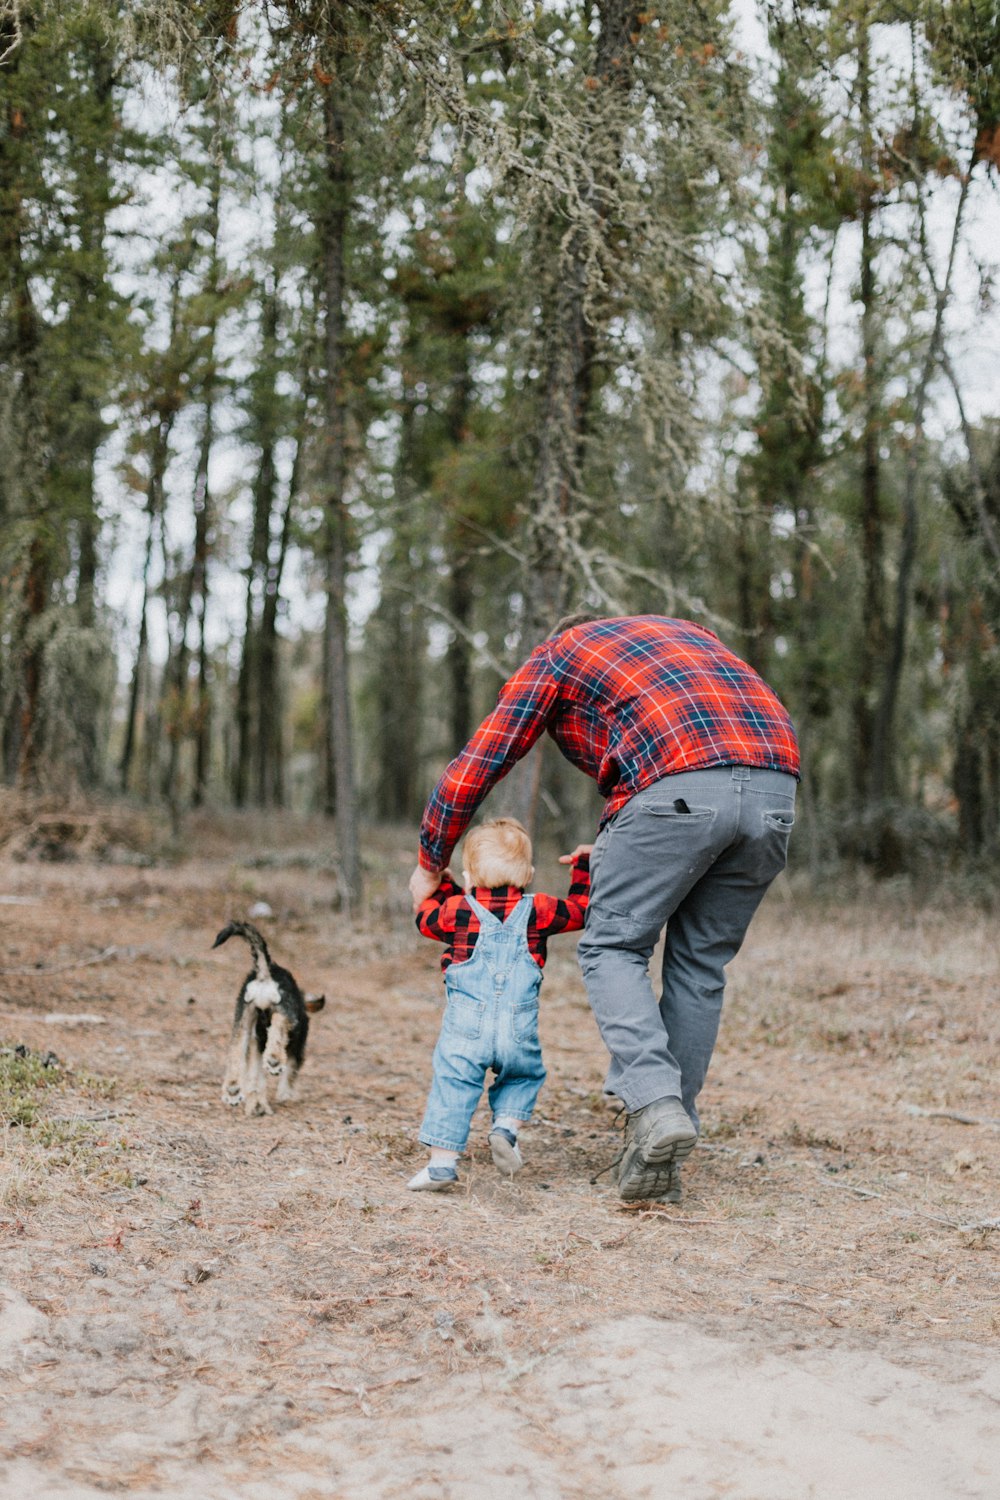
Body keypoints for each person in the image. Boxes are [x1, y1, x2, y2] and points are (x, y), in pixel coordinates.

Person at [409, 615, 799, 1203]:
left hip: (678, 784)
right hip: (776, 784)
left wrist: (429, 859)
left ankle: (657, 1105)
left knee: (612, 946)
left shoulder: (558, 655)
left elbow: (479, 763)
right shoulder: (685, 635)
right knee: (700, 965)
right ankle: (662, 1139)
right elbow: (669, 764)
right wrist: (623, 842)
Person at [407, 816, 590, 1192]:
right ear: (528, 875)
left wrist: (439, 885)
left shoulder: (456, 910)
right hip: (517, 1026)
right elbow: (581, 909)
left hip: (465, 1027)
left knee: (453, 1083)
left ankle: (442, 1165)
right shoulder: (538, 909)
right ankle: (506, 1127)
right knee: (523, 1075)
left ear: (470, 876)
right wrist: (583, 868)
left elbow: (425, 919)